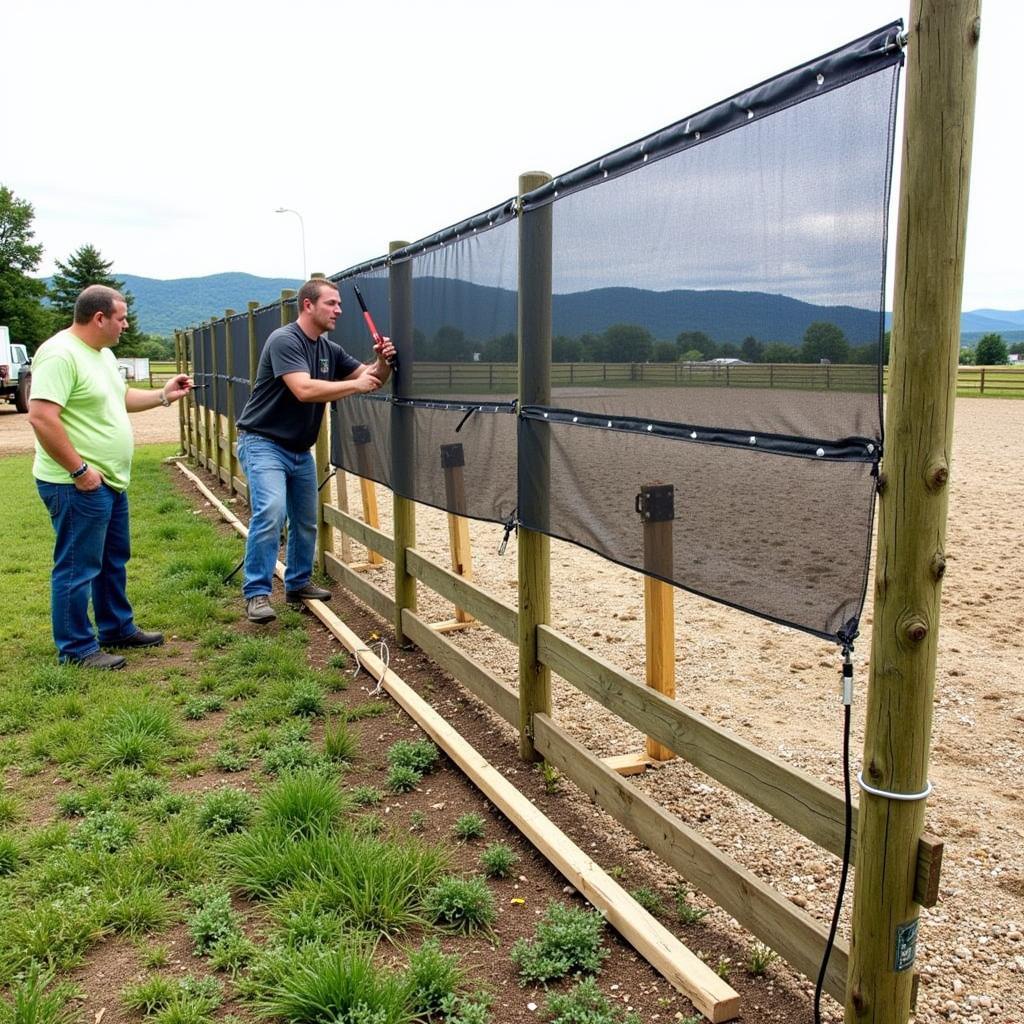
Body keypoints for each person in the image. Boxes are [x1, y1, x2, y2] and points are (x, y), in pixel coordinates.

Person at [28, 284, 194, 670]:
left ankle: (116, 628)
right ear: (99, 317)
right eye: (121, 318)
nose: (126, 325)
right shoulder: (59, 353)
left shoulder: (101, 354)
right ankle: (76, 648)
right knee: (78, 565)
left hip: (108, 482)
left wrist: (163, 395)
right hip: (75, 483)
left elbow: (118, 398)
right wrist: (79, 470)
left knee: (112, 559)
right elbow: (40, 416)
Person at [235, 278, 395, 623]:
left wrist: (382, 360)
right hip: (262, 442)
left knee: (306, 520)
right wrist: (355, 384)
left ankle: (297, 583)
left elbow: (372, 377)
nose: (338, 310)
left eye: (339, 304)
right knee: (272, 511)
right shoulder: (285, 340)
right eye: (331, 304)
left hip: (297, 449)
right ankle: (257, 594)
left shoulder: (328, 349)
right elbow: (304, 389)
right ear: (308, 305)